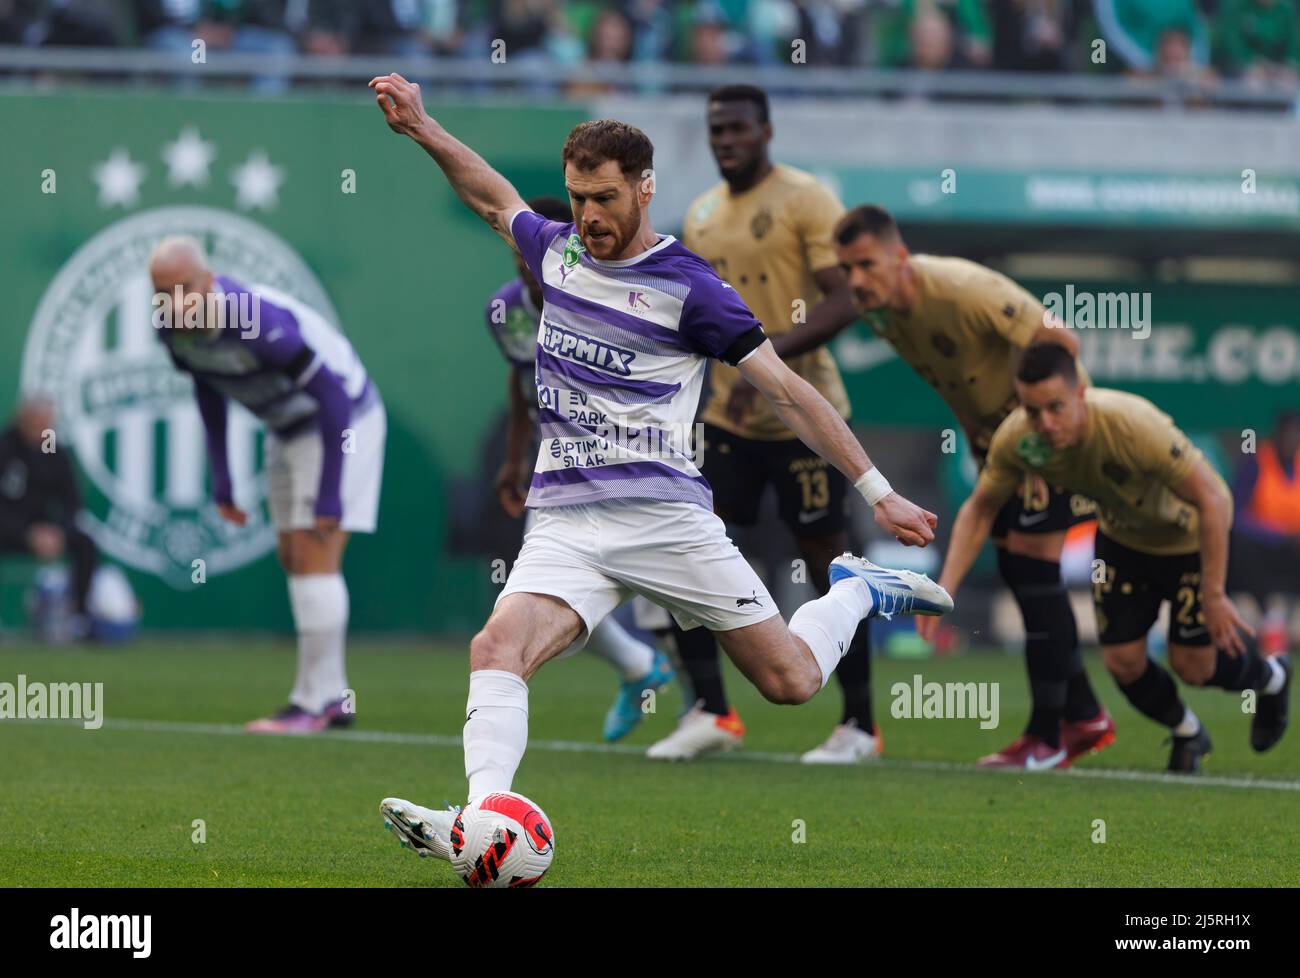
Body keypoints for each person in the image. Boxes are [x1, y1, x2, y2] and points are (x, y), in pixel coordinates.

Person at [365, 72, 952, 868]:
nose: (589, 216)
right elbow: (492, 196)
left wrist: (878, 493)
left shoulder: (692, 289)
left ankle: (855, 588)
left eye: (605, 198)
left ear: (644, 190)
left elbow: (789, 392)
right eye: (577, 198)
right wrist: (424, 128)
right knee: (495, 649)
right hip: (569, 523)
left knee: (789, 682)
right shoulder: (558, 251)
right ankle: (479, 822)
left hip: (666, 521)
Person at [920, 343, 1291, 773]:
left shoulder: (1132, 425)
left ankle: (1272, 678)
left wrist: (1213, 593)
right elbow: (980, 507)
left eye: (1056, 407)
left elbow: (1213, 498)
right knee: (1123, 662)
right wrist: (943, 590)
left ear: (1080, 395)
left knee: (1193, 666)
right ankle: (1188, 731)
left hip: (1184, 540)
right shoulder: (1020, 437)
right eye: (1033, 410)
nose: (1045, 423)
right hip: (1121, 541)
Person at [831, 205, 1112, 769]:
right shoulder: (883, 313)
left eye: (867, 264)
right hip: (1000, 447)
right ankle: (1083, 716)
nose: (856, 280)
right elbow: (959, 377)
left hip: (1044, 440)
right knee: (1020, 571)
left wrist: (1040, 434)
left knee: (1034, 571)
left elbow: (1060, 342)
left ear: (900, 257)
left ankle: (1048, 734)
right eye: (847, 268)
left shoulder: (961, 288)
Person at [648, 84, 880, 765]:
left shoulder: (806, 199)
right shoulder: (700, 215)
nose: (726, 139)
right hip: (726, 419)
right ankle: (712, 711)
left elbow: (848, 299)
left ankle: (861, 724)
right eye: (716, 129)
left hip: (805, 416)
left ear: (766, 131)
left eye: (738, 128)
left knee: (828, 564)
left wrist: (769, 361)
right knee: (686, 555)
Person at [149, 235, 386, 734]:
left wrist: (328, 493)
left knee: (314, 548)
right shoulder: (170, 330)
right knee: (292, 554)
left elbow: (332, 396)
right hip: (287, 426)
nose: (175, 302)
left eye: (184, 288)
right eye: (162, 292)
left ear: (208, 280)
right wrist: (223, 476)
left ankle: (312, 702)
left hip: (343, 421)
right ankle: (332, 698)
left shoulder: (250, 320)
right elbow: (207, 387)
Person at [487, 194, 674, 741]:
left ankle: (699, 700)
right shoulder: (506, 310)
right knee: (547, 601)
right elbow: (521, 382)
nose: (527, 260)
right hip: (560, 462)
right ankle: (645, 668)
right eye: (518, 248)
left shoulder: (610, 292)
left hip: (636, 459)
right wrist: (514, 457)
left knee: (674, 592)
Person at [0, 397, 99, 633]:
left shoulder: (55, 451)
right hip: (9, 530)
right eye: (37, 421)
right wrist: (26, 533)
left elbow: (72, 502)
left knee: (85, 544)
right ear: (22, 419)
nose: (43, 428)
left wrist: (58, 532)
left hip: (48, 531)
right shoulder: (4, 448)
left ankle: (78, 619)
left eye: (47, 422)